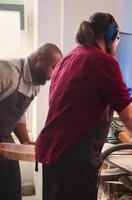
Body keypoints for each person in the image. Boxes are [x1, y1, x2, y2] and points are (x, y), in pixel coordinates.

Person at [35, 12, 132, 200]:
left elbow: (74, 106)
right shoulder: (103, 61)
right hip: (73, 158)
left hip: (53, 153)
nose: (117, 45)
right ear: (111, 35)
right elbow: (127, 113)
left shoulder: (68, 59)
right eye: (117, 38)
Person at [0, 43, 62, 200]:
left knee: (12, 190)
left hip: (4, 140)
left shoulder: (36, 84)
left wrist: (25, 141)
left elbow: (19, 113)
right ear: (40, 60)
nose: (53, 75)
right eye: (53, 67)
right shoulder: (7, 72)